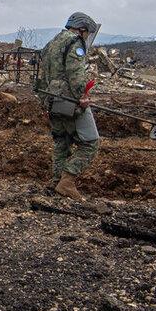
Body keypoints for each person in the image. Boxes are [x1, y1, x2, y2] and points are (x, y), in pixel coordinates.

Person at [36, 12, 101, 200]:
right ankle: (67, 182)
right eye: (87, 33)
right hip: (69, 102)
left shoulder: (52, 43)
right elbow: (75, 73)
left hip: (50, 99)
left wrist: (45, 100)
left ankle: (56, 182)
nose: (86, 36)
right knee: (90, 143)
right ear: (82, 29)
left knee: (61, 141)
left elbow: (42, 75)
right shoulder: (75, 43)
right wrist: (82, 96)